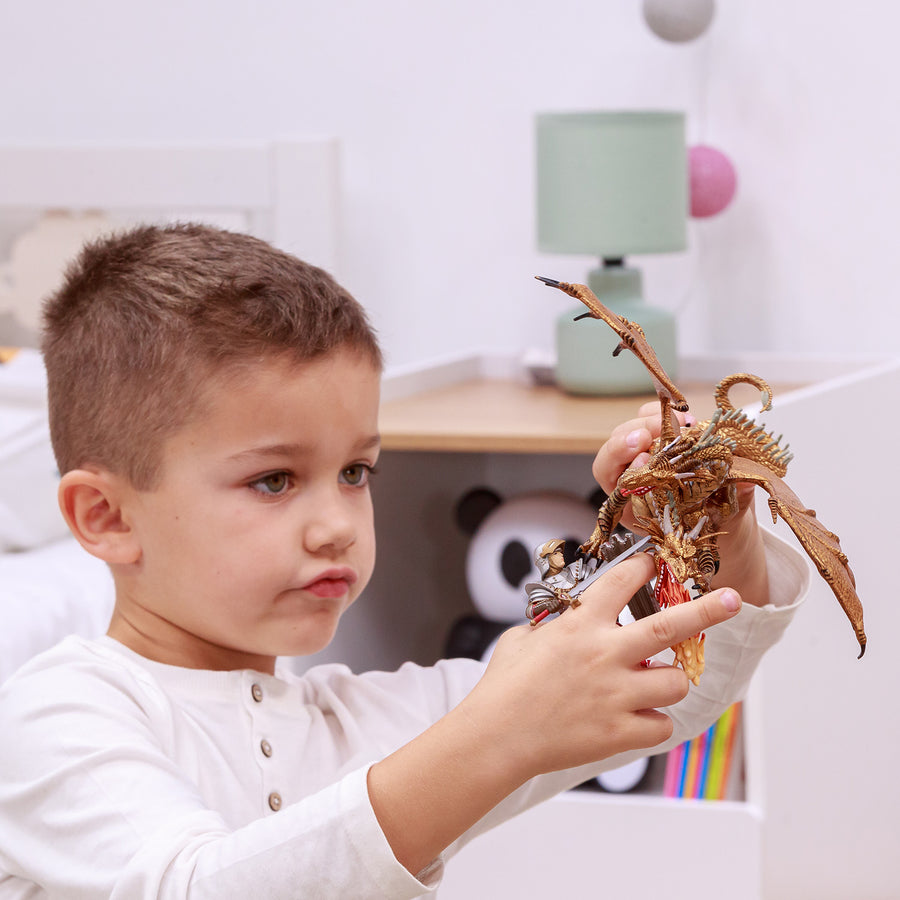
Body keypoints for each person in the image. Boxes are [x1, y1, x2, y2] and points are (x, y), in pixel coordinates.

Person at [0, 224, 808, 898]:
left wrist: (711, 534)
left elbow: (673, 690)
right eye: (273, 480)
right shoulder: (53, 718)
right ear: (105, 517)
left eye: (356, 472)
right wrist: (496, 736)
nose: (336, 526)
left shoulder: (368, 722)